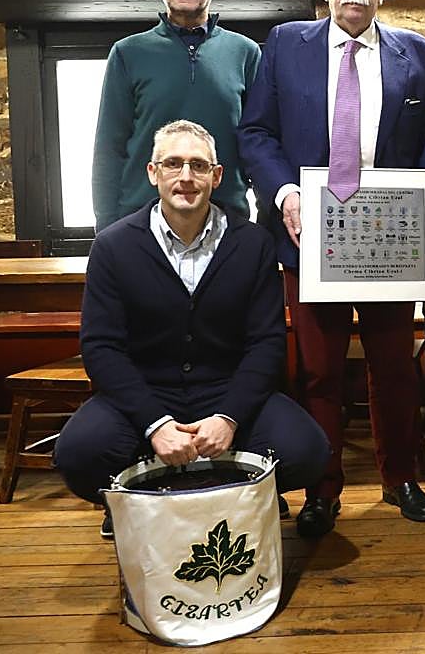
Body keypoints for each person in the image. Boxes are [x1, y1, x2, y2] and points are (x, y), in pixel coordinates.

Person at [238, 0, 425, 535]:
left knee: (394, 367)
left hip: (390, 240)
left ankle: (401, 478)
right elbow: (256, 134)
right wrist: (286, 193)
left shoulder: (415, 53)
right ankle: (322, 488)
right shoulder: (286, 45)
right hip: (309, 238)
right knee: (319, 372)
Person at [56, 120, 330, 536]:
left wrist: (229, 418)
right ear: (153, 173)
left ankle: (235, 494)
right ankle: (128, 497)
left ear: (217, 177)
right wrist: (155, 424)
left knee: (307, 452)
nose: (186, 177)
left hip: (225, 389)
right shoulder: (113, 246)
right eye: (173, 164)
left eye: (199, 166)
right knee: (79, 454)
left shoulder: (252, 243)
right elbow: (101, 347)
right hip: (149, 391)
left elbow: (266, 343)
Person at [92, 0, 260, 232]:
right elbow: (110, 148)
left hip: (227, 223)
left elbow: (257, 144)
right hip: (141, 224)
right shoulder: (127, 53)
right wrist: (106, 229)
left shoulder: (245, 53)